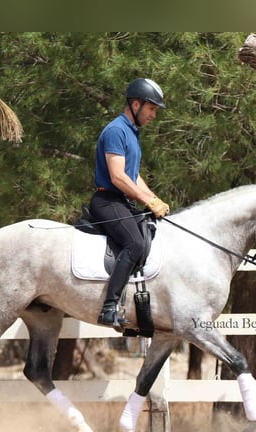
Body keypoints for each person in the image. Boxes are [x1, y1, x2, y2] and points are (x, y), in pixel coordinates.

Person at [90, 78, 170, 328]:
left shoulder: (131, 134)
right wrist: (147, 199)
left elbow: (133, 175)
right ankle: (109, 306)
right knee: (135, 243)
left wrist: (154, 200)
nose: (154, 115)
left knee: (151, 232)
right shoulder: (116, 130)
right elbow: (118, 177)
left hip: (122, 201)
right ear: (136, 104)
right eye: (151, 108)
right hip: (107, 201)